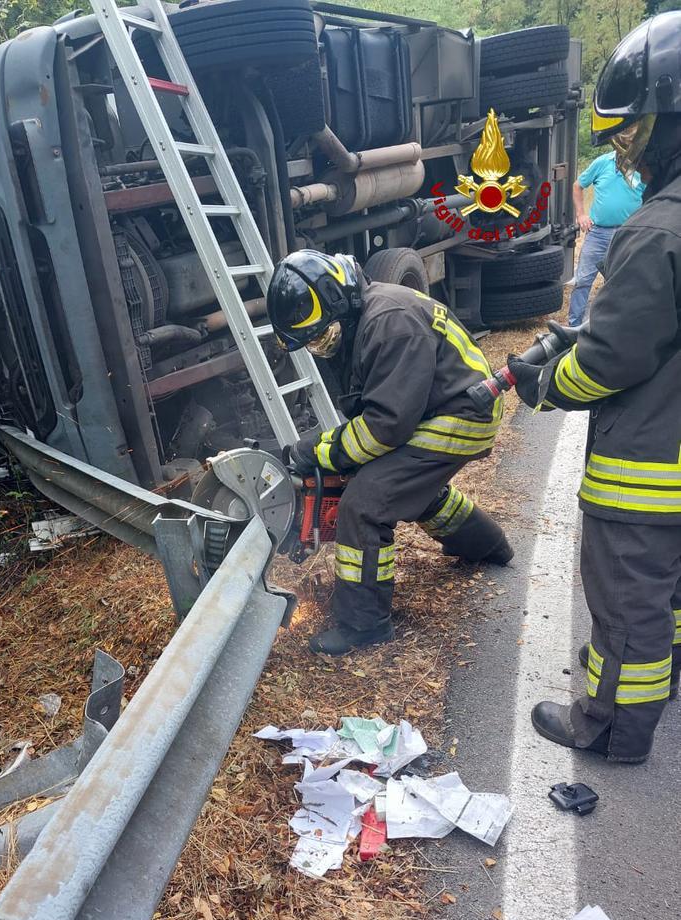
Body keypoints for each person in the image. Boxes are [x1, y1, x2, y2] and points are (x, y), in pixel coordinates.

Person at [508, 12, 681, 764]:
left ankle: (609, 727)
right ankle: (662, 683)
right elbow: (656, 329)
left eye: (637, 129)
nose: (628, 147)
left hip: (648, 465)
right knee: (667, 593)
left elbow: (612, 360)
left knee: (627, 598)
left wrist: (545, 386)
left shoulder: (657, 230)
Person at [267, 248, 513, 656]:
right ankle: (489, 545)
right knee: (409, 487)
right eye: (313, 344)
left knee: (366, 502)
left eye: (324, 337)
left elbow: (385, 428)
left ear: (339, 301)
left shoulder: (388, 322)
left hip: (462, 416)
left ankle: (364, 625)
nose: (323, 348)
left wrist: (320, 450)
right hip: (439, 408)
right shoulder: (365, 314)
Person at [567, 150, 644, 327]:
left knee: (623, 282)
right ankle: (573, 327)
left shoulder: (641, 165)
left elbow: (650, 196)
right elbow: (578, 185)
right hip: (598, 233)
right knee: (583, 280)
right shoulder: (602, 162)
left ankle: (617, 327)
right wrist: (581, 215)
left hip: (629, 234)